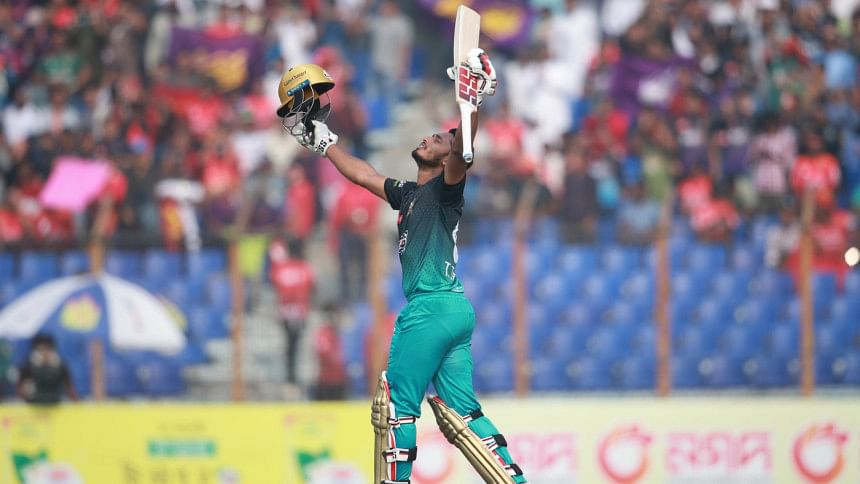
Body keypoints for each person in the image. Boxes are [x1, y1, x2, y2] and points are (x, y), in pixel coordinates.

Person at [277, 53, 526, 482]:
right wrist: (325, 142)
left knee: (395, 407)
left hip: (430, 307)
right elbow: (363, 175)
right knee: (462, 413)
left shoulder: (447, 190)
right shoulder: (409, 194)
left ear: (446, 158)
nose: (429, 138)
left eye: (438, 140)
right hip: (454, 309)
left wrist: (471, 103)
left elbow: (463, 153)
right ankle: (514, 479)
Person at [268, 240, 315, 389]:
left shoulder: (281, 268)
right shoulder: (305, 268)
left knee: (290, 345)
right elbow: (312, 287)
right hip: (300, 311)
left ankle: (290, 377)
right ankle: (292, 377)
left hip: (285, 312)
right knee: (295, 345)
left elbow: (275, 285)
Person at [16, 334, 78, 405]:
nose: (44, 353)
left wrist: (76, 402)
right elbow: (20, 389)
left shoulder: (61, 365)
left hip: (56, 402)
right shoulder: (28, 366)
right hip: (33, 403)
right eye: (40, 350)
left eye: (47, 349)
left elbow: (70, 388)